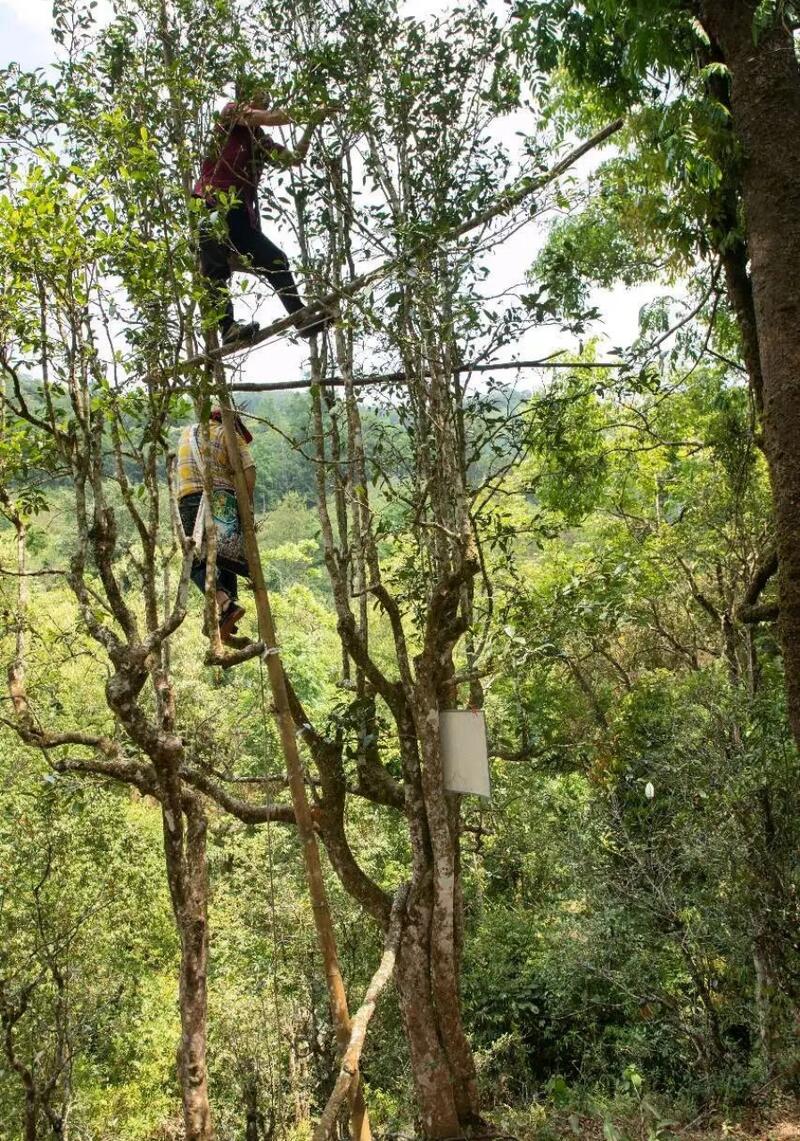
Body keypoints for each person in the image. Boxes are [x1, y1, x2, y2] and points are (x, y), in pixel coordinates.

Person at [193, 88, 334, 344]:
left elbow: (294, 158)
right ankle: (228, 329)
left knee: (275, 259)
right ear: (248, 100)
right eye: (259, 100)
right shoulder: (231, 113)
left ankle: (301, 319)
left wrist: (312, 124)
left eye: (266, 100)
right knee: (215, 267)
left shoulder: (259, 140)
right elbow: (270, 117)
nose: (263, 104)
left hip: (240, 216)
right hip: (213, 203)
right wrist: (310, 110)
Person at [176, 408, 255, 641]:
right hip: (222, 501)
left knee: (198, 557)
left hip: (189, 499)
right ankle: (227, 604)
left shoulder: (185, 434)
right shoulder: (227, 434)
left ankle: (225, 610)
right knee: (222, 556)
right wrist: (246, 505)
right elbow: (249, 472)